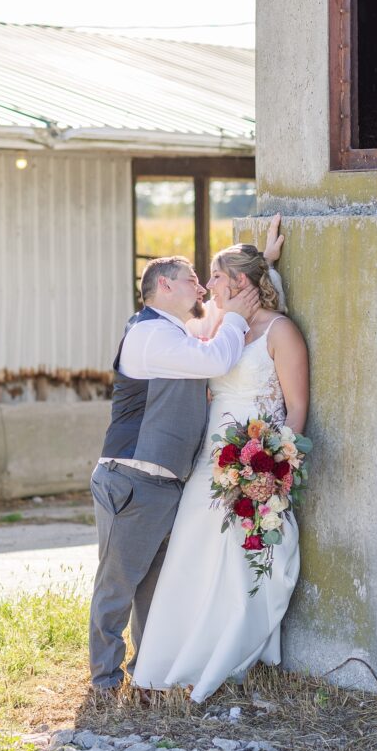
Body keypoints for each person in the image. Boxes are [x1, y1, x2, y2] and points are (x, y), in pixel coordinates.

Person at [132, 240, 309, 702]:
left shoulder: (280, 331)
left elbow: (298, 407)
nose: (207, 286)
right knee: (192, 556)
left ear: (240, 283)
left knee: (242, 559)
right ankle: (175, 659)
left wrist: (276, 467)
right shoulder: (219, 327)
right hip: (212, 460)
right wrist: (264, 262)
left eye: (215, 276)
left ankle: (229, 655)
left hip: (258, 461)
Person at [88, 251, 263, 695]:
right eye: (191, 279)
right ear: (163, 286)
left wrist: (263, 261)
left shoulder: (171, 333)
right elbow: (215, 361)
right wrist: (238, 319)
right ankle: (105, 684)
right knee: (118, 585)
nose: (202, 288)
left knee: (153, 589)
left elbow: (205, 350)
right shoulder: (148, 333)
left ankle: (144, 675)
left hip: (162, 484)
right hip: (132, 478)